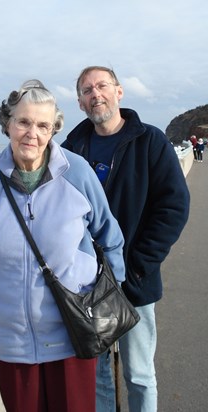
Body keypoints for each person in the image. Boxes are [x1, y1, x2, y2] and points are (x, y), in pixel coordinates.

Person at [0, 79, 126, 412]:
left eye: (42, 125)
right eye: (23, 122)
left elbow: (110, 237)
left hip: (74, 338)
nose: (32, 133)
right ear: (7, 124)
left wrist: (109, 305)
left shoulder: (76, 173)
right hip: (14, 344)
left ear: (53, 131)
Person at [61, 66, 190, 412]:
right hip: (85, 286)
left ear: (119, 92)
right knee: (97, 376)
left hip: (135, 281)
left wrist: (137, 267)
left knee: (139, 374)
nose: (95, 94)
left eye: (102, 86)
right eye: (87, 90)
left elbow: (173, 207)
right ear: (79, 102)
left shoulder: (149, 141)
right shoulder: (69, 150)